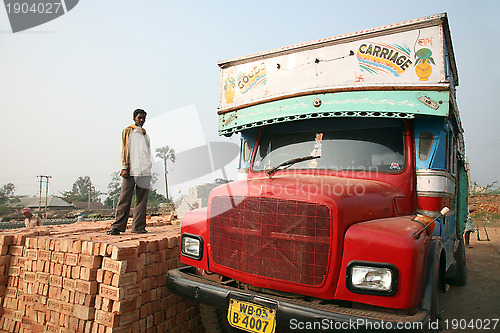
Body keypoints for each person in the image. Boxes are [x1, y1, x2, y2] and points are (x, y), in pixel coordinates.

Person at [107, 109, 152, 235]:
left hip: (144, 171)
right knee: (125, 198)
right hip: (130, 169)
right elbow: (122, 150)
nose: (142, 120)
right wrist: (123, 167)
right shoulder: (127, 132)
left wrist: (149, 168)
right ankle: (117, 226)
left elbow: (148, 153)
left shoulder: (145, 135)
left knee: (142, 200)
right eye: (139, 118)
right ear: (134, 118)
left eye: (143, 118)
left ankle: (138, 227)